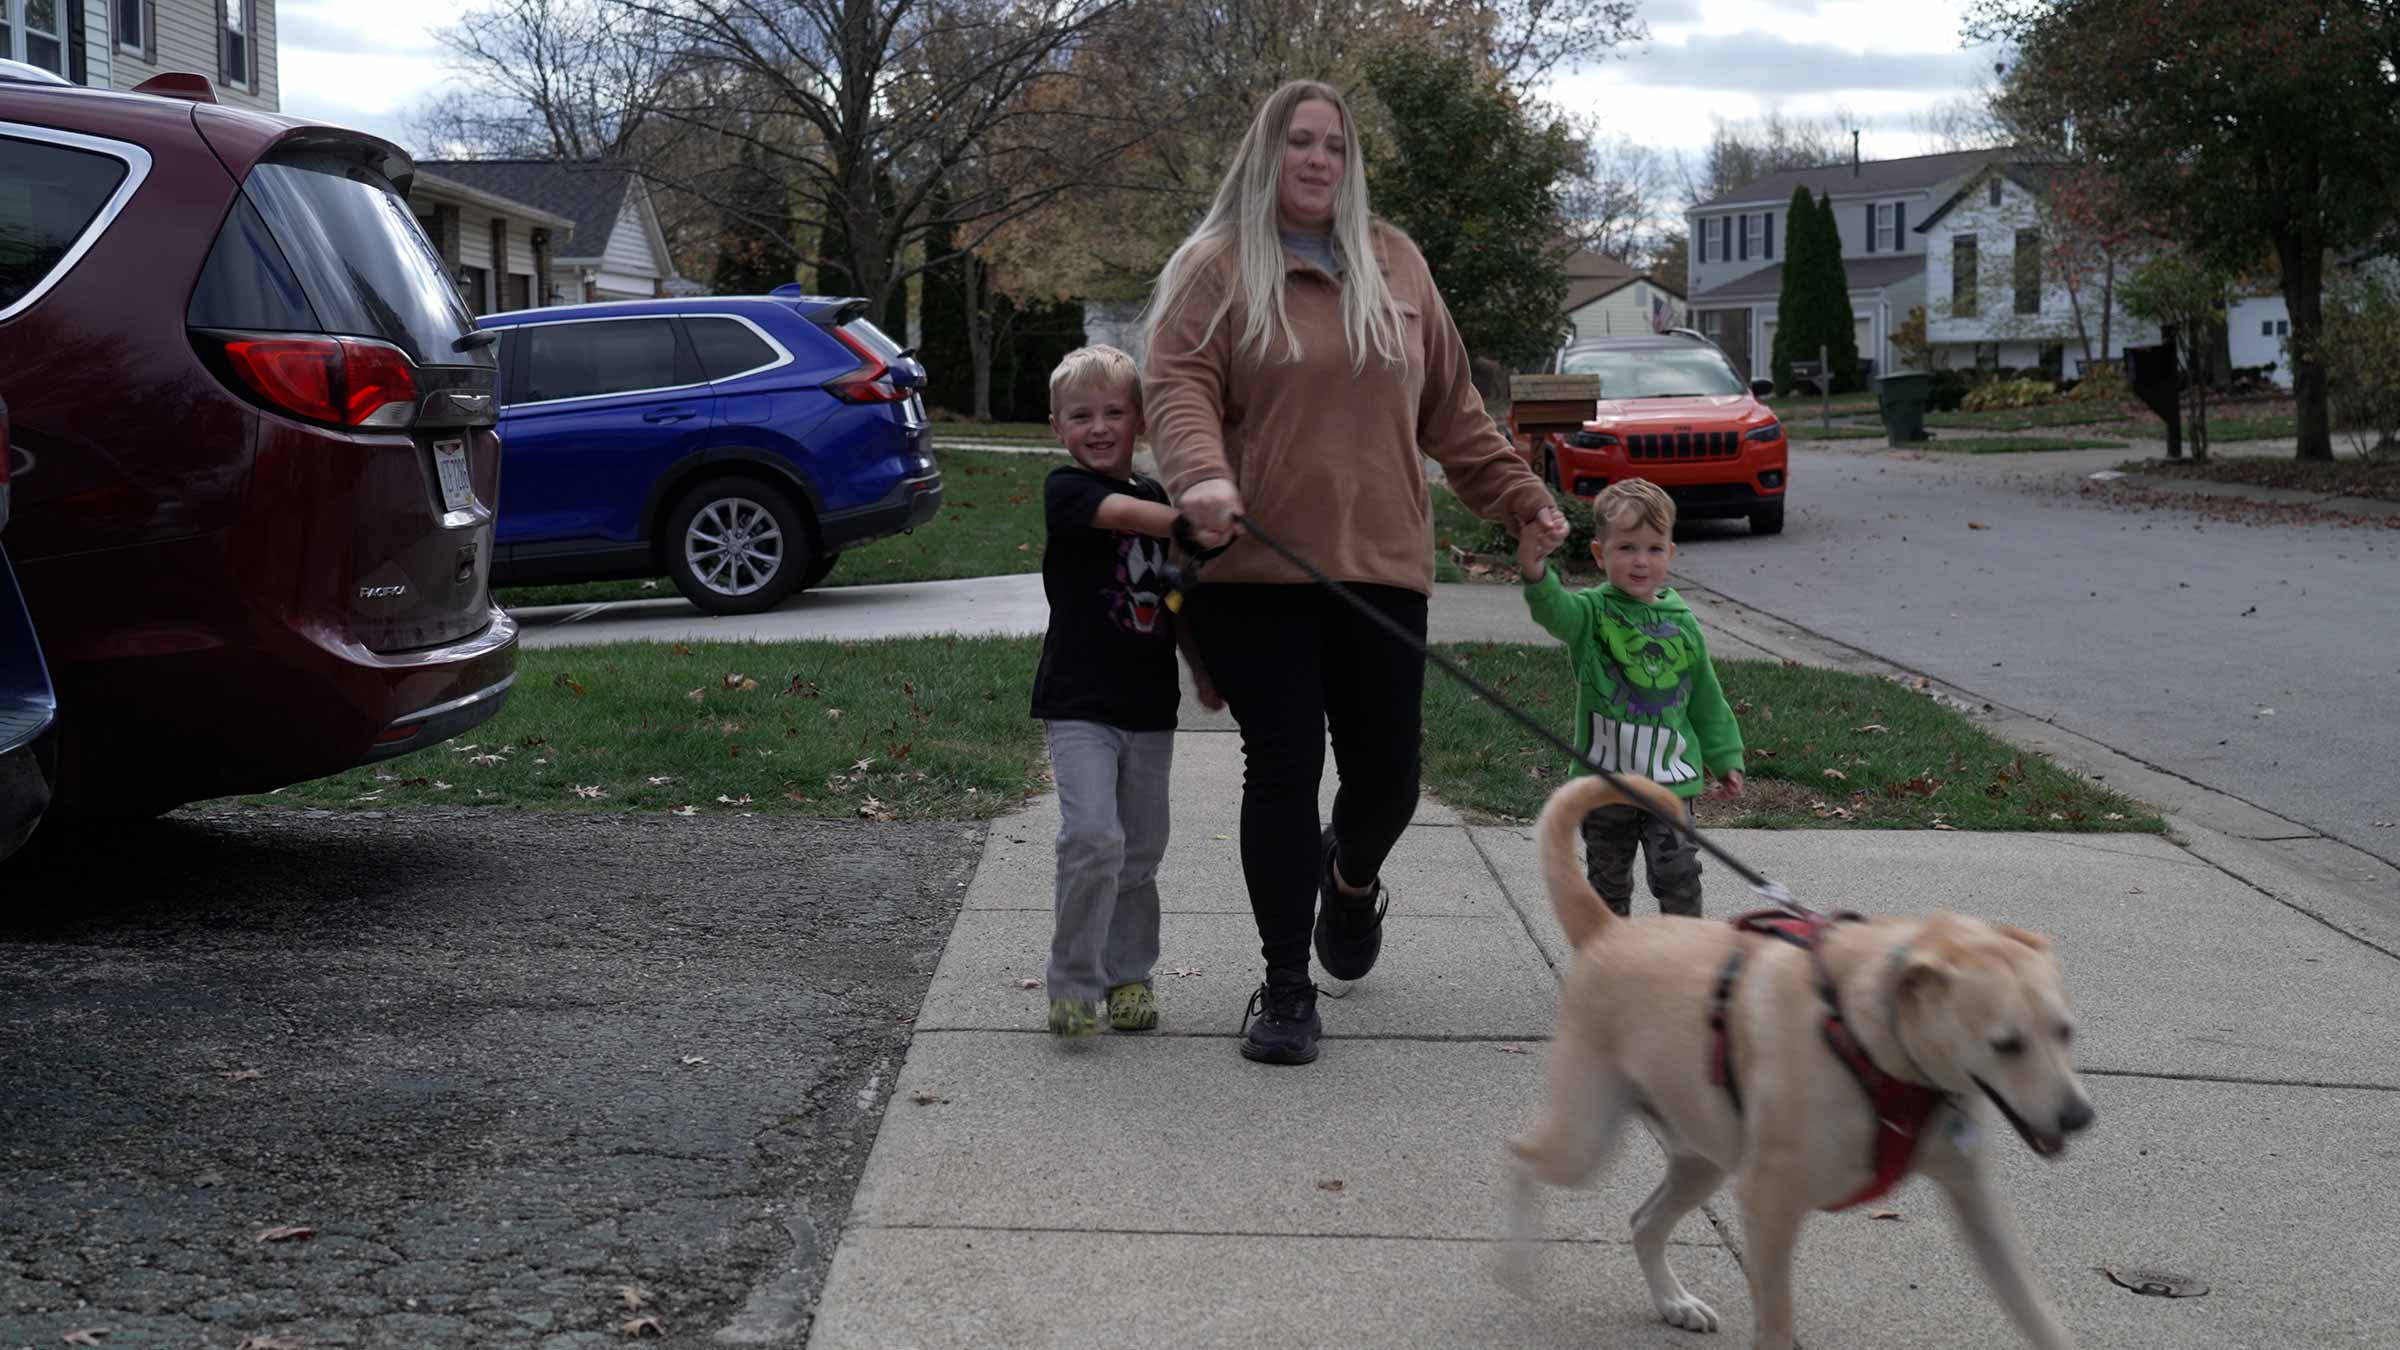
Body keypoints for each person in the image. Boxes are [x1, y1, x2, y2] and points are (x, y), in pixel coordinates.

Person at [1140, 79, 1567, 1065]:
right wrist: (1199, 479)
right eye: (1300, 140)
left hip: (1380, 565)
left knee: (1389, 777)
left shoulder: (1397, 266)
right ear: (1268, 153)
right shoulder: (1216, 271)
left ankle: (1353, 880)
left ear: (1351, 163)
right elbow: (1179, 389)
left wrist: (1519, 499)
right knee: (1282, 767)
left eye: (1335, 144)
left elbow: (1453, 409)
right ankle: (1286, 984)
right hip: (1257, 567)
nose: (1318, 159)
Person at [1031, 345, 1221, 1038]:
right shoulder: (1068, 491)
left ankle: (1130, 976)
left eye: (1115, 411)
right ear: (1058, 428)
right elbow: (1124, 518)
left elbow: (1175, 596)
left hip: (1147, 708)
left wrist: (1201, 670)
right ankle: (1074, 987)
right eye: (1081, 415)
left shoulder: (1160, 500)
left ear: (1139, 419)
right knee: (1091, 838)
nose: (1099, 426)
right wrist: (1186, 522)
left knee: (1138, 854)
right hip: (1078, 701)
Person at [1516, 478, 1746, 918]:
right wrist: (1534, 571)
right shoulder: (1592, 615)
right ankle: (1609, 963)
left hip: (1670, 785)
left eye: (1654, 549)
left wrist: (1725, 757)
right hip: (1604, 786)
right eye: (1626, 549)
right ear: (1601, 553)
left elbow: (1705, 698)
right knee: (1608, 885)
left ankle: (1681, 963)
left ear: (1670, 554)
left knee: (1679, 876)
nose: (1641, 562)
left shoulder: (1684, 623)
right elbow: (1553, 611)